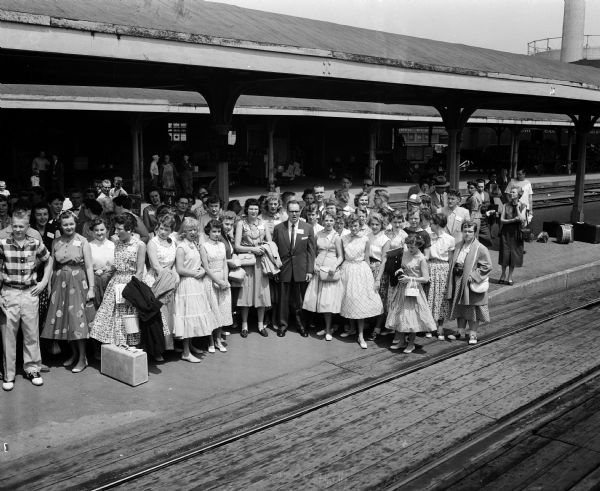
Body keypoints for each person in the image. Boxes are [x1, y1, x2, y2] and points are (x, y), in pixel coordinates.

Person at [0, 211, 53, 391]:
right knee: (8, 335)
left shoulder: (35, 243)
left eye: (21, 226)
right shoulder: (3, 244)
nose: (18, 229)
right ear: (10, 226)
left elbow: (48, 260)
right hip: (9, 292)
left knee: (31, 333)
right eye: (15, 226)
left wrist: (44, 281)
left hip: (30, 293)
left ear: (28, 227)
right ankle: (9, 373)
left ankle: (32, 369)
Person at [41, 211, 95, 373]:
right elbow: (52, 264)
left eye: (71, 224)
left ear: (75, 223)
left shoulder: (83, 241)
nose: (69, 227)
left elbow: (89, 266)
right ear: (61, 225)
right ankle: (74, 354)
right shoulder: (56, 241)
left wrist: (91, 288)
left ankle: (82, 358)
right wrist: (48, 285)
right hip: (60, 282)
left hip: (77, 281)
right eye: (65, 224)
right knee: (65, 320)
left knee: (77, 320)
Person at [90, 214, 146, 347]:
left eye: (119, 229)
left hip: (131, 283)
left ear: (130, 229)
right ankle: (117, 346)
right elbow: (116, 264)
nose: (115, 232)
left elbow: (139, 271)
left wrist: (132, 291)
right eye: (115, 228)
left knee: (129, 316)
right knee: (112, 315)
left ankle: (130, 347)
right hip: (116, 282)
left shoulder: (140, 245)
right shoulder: (117, 243)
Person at [174, 217, 217, 361]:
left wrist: (203, 271)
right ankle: (185, 352)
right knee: (187, 316)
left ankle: (191, 346)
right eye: (189, 230)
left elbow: (200, 264)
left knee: (194, 315)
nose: (193, 232)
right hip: (187, 284)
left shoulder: (195, 244)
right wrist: (197, 273)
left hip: (196, 284)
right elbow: (180, 269)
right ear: (184, 231)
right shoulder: (181, 247)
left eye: (195, 230)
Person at [272, 200, 316, 337]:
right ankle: (282, 326)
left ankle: (301, 326)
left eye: (297, 211)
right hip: (284, 269)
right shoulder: (279, 228)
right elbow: (274, 251)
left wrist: (309, 270)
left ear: (300, 211)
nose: (294, 214)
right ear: (287, 212)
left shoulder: (308, 227)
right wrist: (275, 269)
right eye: (291, 211)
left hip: (301, 269)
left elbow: (311, 251)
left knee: (299, 301)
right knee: (283, 300)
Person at [386, 235, 437, 353]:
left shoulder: (421, 259)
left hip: (413, 290)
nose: (410, 249)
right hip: (402, 288)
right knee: (401, 315)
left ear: (419, 245)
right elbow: (404, 267)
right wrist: (401, 271)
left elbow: (425, 279)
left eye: (412, 247)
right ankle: (402, 341)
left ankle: (411, 343)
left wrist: (410, 279)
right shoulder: (405, 253)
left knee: (412, 316)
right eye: (408, 246)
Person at [339, 215, 383, 348]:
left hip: (361, 270)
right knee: (349, 300)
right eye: (351, 226)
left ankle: (361, 335)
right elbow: (341, 257)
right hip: (347, 270)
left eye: (356, 226)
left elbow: (367, 259)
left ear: (360, 226)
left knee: (360, 301)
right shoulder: (343, 238)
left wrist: (372, 277)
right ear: (348, 226)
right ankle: (352, 328)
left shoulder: (365, 239)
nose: (353, 228)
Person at [446, 220, 492, 345]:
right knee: (460, 307)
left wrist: (475, 275)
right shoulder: (459, 245)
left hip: (470, 283)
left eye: (470, 231)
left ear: (474, 233)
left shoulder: (480, 248)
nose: (467, 234)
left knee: (472, 308)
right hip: (458, 280)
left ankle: (473, 333)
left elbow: (487, 266)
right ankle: (460, 331)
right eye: (465, 231)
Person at [302, 212, 343, 341]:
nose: (328, 223)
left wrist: (334, 266)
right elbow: (313, 252)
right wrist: (313, 264)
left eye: (331, 220)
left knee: (328, 303)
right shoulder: (318, 234)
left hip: (330, 273)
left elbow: (341, 256)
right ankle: (325, 327)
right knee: (318, 301)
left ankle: (329, 328)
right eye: (326, 220)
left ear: (334, 222)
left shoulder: (337, 237)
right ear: (322, 221)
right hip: (319, 270)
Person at [234, 198, 271, 338]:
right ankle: (244, 324)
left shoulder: (264, 224)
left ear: (259, 210)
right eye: (251, 208)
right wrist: (252, 249)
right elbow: (237, 246)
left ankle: (261, 325)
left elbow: (270, 242)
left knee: (261, 293)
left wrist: (263, 247)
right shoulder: (240, 224)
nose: (253, 211)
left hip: (261, 263)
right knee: (246, 293)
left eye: (256, 208)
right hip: (247, 263)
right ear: (246, 210)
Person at [145, 214, 178, 353]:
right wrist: (168, 279)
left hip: (170, 278)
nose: (163, 232)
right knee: (159, 313)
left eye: (167, 229)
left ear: (171, 230)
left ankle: (168, 345)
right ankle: (156, 348)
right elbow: (156, 265)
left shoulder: (173, 242)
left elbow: (174, 263)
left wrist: (176, 277)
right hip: (157, 280)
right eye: (161, 228)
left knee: (170, 313)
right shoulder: (153, 242)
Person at [200, 219, 231, 353]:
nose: (217, 234)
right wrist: (217, 281)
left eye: (219, 231)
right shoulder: (204, 246)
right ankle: (210, 341)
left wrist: (225, 280)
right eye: (214, 231)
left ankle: (218, 339)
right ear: (208, 232)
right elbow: (206, 267)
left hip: (223, 280)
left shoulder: (222, 245)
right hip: (211, 280)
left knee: (221, 310)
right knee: (212, 311)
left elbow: (224, 263)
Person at [428, 213, 455, 340]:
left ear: (438, 224)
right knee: (429, 296)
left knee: (441, 297)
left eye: (432, 223)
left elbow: (450, 259)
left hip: (443, 269)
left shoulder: (449, 239)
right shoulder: (429, 236)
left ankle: (440, 326)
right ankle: (429, 325)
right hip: (430, 267)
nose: (430, 225)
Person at [498, 186, 527, 286]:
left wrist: (518, 208)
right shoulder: (506, 205)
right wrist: (512, 220)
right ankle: (502, 274)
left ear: (519, 194)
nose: (511, 194)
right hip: (506, 232)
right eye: (511, 192)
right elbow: (501, 220)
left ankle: (510, 276)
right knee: (504, 255)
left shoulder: (523, 205)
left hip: (516, 233)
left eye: (513, 192)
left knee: (513, 256)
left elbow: (522, 219)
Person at [88, 217, 115, 309]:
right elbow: (87, 265)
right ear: (92, 231)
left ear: (107, 230)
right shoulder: (89, 246)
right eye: (96, 230)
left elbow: (115, 263)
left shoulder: (112, 245)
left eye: (102, 229)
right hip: (94, 278)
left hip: (109, 279)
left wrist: (107, 269)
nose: (99, 233)